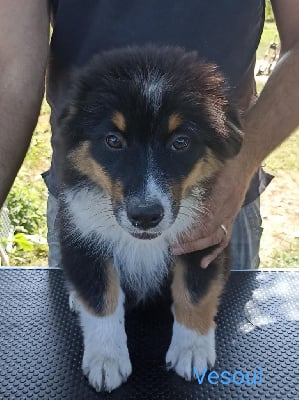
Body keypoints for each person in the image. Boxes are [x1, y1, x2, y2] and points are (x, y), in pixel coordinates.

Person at [0, 0, 298, 270]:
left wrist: (240, 164)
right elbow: (12, 73)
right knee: (89, 328)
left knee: (208, 328)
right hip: (88, 200)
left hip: (216, 198)